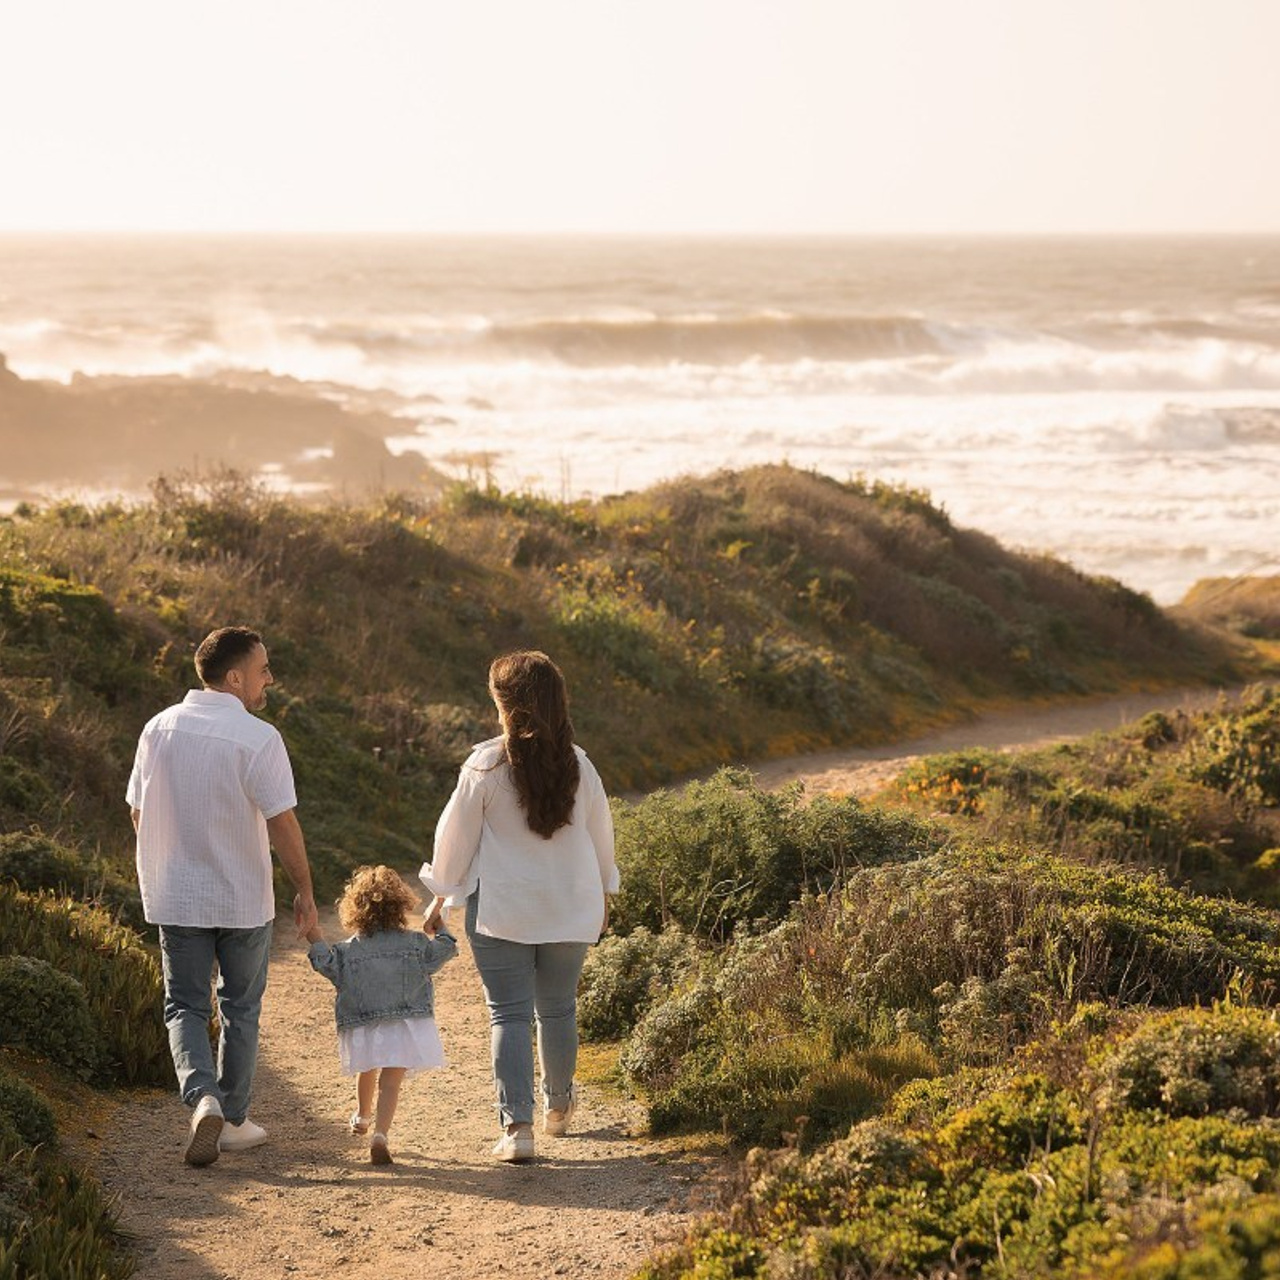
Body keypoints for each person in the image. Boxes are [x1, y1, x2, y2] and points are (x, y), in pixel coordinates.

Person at [127, 626, 319, 1167]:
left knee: (185, 1005)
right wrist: (304, 890)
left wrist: (163, 860)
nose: (269, 679)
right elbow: (282, 824)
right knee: (240, 1008)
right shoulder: (259, 738)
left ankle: (202, 1097)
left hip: (178, 897)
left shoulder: (157, 729)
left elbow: (139, 811)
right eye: (263, 670)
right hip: (242, 898)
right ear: (234, 677)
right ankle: (233, 1120)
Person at [420, 650, 619, 1163]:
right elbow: (602, 840)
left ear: (506, 704)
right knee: (558, 1008)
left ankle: (518, 1128)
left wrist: (440, 895)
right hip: (571, 905)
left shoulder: (484, 765)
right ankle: (559, 1104)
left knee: (507, 1014)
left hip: (501, 909)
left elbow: (454, 840)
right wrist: (605, 895)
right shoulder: (582, 764)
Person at [306, 864, 457, 1165]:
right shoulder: (414, 944)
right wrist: (437, 925)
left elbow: (325, 963)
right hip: (404, 1021)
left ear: (354, 909)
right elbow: (446, 948)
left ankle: (362, 1115)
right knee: (391, 1081)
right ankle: (380, 1135)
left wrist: (314, 936)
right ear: (401, 905)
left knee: (368, 1066)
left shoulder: (348, 950)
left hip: (364, 1019)